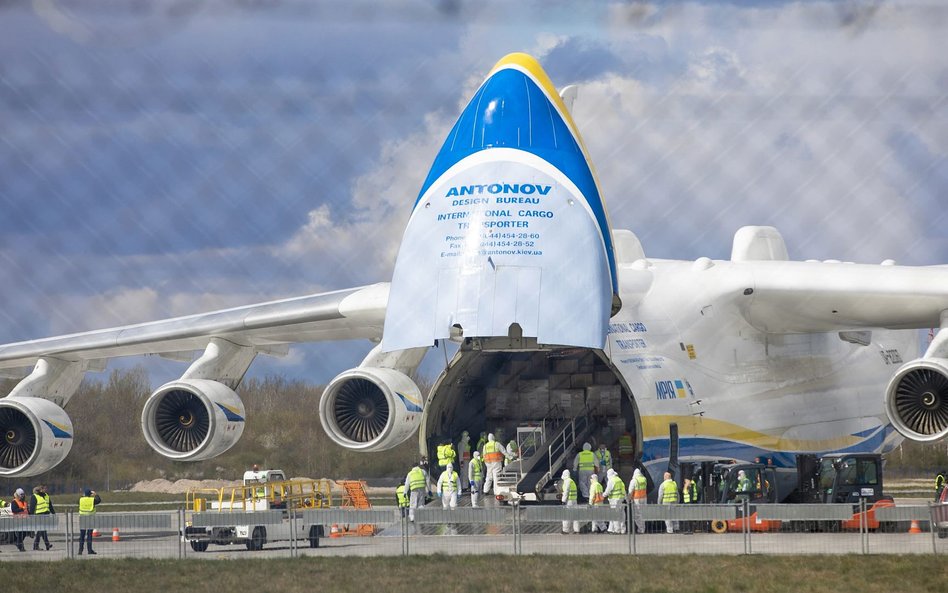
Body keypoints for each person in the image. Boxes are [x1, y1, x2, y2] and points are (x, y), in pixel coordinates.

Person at [29, 484, 54, 550]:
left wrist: (53, 513)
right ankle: (46, 544)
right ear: (41, 489)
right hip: (39, 515)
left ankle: (37, 545)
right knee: (42, 530)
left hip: (46, 515)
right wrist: (31, 515)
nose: (46, 490)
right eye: (44, 489)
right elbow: (32, 507)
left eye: (46, 488)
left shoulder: (46, 496)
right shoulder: (35, 496)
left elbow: (50, 505)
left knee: (42, 531)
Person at [77, 488, 101, 555]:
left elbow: (77, 502)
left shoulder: (81, 499)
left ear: (84, 494)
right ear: (90, 494)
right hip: (90, 519)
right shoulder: (92, 500)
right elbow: (99, 500)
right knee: (89, 535)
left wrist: (83, 495)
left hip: (82, 518)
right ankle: (89, 550)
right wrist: (95, 494)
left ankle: (80, 550)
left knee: (82, 535)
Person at [603, 468, 627, 534]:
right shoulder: (619, 480)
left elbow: (608, 491)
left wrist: (602, 495)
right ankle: (622, 530)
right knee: (622, 515)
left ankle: (617, 530)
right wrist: (626, 499)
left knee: (615, 515)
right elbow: (624, 491)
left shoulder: (611, 480)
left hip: (614, 500)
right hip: (621, 499)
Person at [560, 469, 579, 534]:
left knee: (566, 515)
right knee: (575, 516)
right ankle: (577, 530)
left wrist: (563, 500)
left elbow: (566, 491)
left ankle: (565, 530)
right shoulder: (572, 481)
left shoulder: (567, 481)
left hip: (569, 501)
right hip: (574, 500)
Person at [630, 468, 648, 534]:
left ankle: (640, 529)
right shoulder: (644, 479)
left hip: (637, 499)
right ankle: (643, 528)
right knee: (643, 514)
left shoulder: (634, 480)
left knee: (637, 515)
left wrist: (629, 499)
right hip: (644, 498)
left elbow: (630, 491)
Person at [10, 488, 28, 552]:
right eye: (21, 495)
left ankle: (18, 543)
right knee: (20, 534)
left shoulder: (24, 502)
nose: (22, 496)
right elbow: (14, 510)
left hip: (25, 520)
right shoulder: (14, 502)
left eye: (23, 495)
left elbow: (27, 510)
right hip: (18, 520)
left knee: (25, 533)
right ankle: (21, 547)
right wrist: (21, 509)